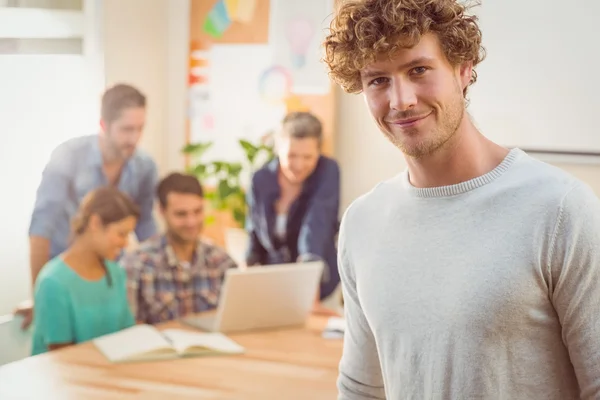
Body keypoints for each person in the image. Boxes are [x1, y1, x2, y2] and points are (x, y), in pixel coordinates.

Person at [323, 0, 600, 399]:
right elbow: (360, 389)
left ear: (463, 68)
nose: (400, 100)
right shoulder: (362, 222)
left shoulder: (560, 210)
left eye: (418, 70)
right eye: (378, 80)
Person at [17, 83, 158, 329]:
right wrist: (41, 298)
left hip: (109, 275)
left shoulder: (145, 166)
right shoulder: (68, 156)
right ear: (103, 125)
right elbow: (41, 228)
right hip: (64, 275)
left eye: (140, 129)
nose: (134, 138)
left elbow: (146, 226)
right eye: (126, 130)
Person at [245, 111, 341, 312]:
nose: (298, 165)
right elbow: (253, 231)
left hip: (319, 286)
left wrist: (310, 295)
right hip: (273, 287)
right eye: (291, 155)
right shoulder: (260, 179)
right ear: (278, 148)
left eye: (308, 157)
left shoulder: (328, 171)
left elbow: (317, 225)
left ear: (318, 152)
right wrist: (247, 277)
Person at [31, 187, 137, 355]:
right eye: (121, 234)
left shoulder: (116, 273)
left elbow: (127, 335)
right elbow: (62, 357)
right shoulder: (53, 282)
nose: (125, 243)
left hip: (109, 373)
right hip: (63, 376)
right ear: (95, 223)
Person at [121, 172, 237, 324]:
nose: (191, 222)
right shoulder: (138, 264)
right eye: (181, 214)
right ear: (161, 211)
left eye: (197, 212)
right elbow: (129, 330)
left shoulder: (221, 261)